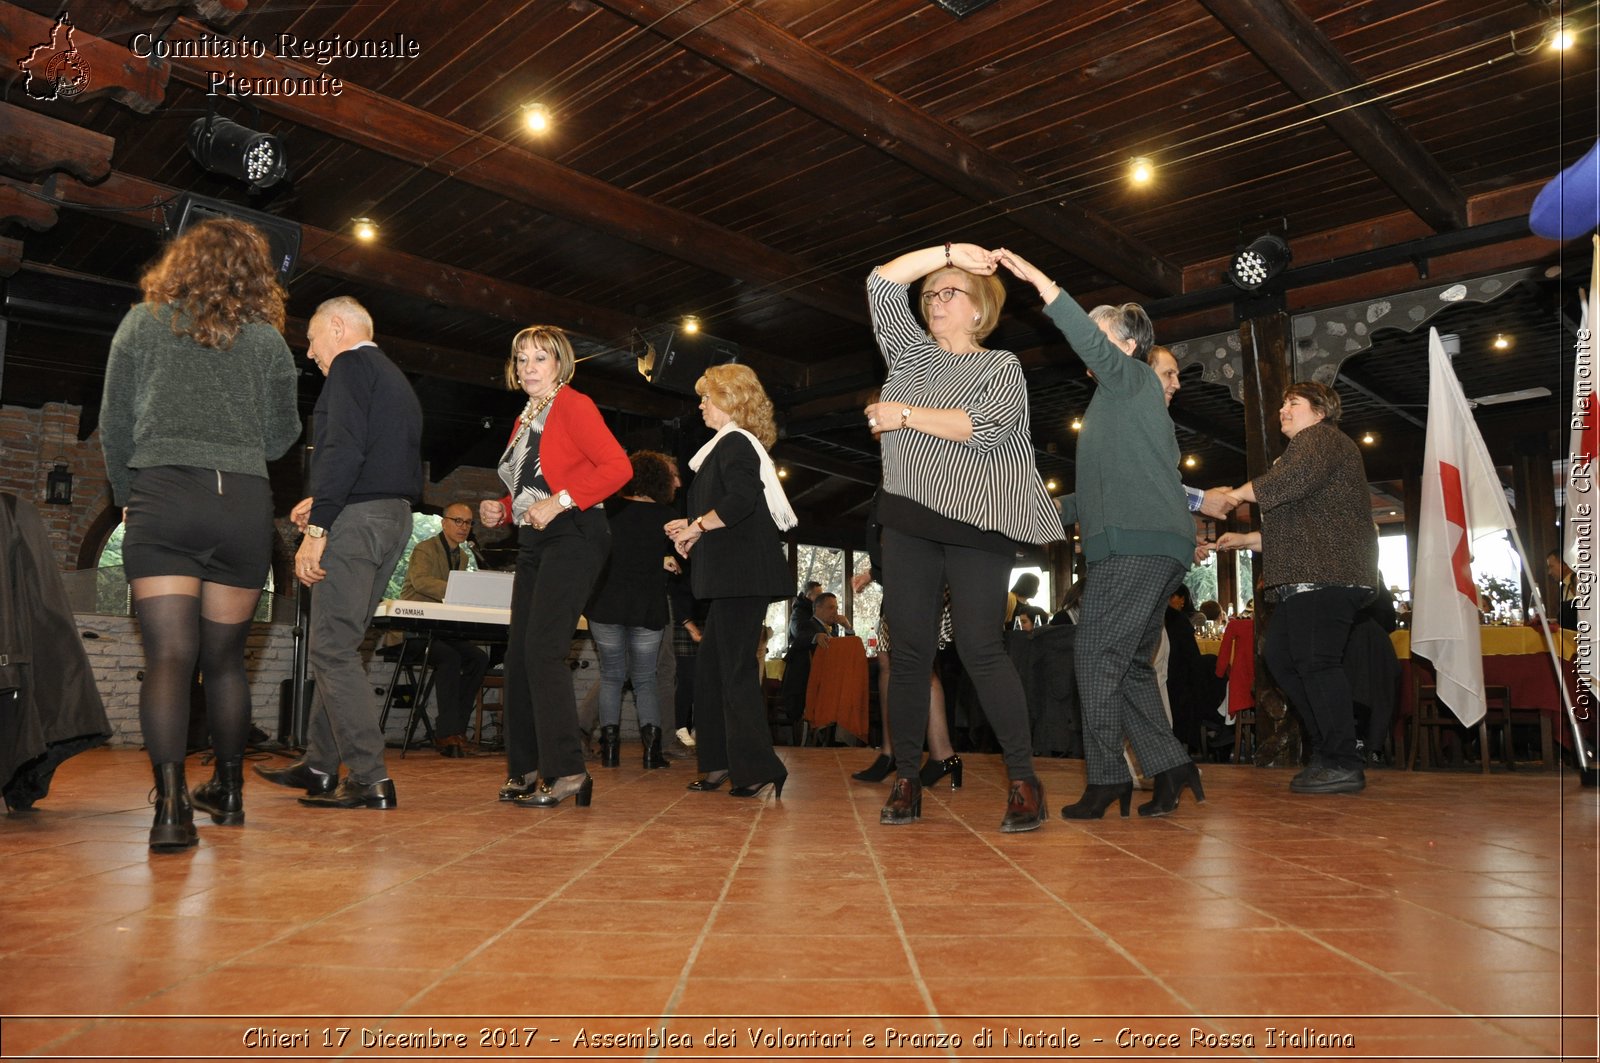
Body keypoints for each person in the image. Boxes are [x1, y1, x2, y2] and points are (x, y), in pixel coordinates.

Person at [100, 218, 300, 850]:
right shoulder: (267, 340)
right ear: (257, 274)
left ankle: (171, 811)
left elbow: (114, 424)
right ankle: (232, 792)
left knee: (169, 658)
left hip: (165, 494)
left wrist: (127, 499)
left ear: (180, 263)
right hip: (241, 503)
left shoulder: (141, 322)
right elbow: (281, 437)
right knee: (225, 662)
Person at [997, 248, 1204, 821]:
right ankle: (1171, 767)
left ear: (1126, 345)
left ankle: (1108, 777)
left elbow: (1086, 340)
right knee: (1131, 664)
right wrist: (1020, 510)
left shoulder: (1133, 379)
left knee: (1092, 652)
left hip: (1138, 545)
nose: (1087, 341)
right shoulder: (1117, 401)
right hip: (1148, 543)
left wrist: (1041, 281)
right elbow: (1086, 500)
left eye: (1098, 332)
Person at [862, 242, 1060, 833]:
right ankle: (905, 776)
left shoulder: (1001, 367)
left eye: (950, 292)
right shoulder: (906, 352)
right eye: (929, 295)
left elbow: (988, 428)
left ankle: (1023, 779)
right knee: (909, 653)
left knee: (980, 648)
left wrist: (903, 416)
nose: (934, 301)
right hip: (907, 522)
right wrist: (947, 254)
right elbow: (879, 279)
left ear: (979, 309)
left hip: (978, 521)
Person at [255, 296, 422, 810]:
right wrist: (322, 500)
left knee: (330, 648)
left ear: (338, 326)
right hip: (391, 517)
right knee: (342, 645)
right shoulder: (392, 376)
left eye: (310, 340)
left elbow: (342, 447)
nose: (309, 354)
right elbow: (375, 457)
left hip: (357, 523)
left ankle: (370, 777)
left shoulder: (349, 366)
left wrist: (319, 526)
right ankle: (322, 766)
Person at [479, 325, 631, 808]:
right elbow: (531, 486)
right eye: (521, 359)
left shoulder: (572, 404)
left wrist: (562, 502)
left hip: (577, 533)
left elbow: (617, 467)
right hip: (536, 538)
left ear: (560, 364)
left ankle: (568, 772)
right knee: (520, 653)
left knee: (543, 650)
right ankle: (524, 767)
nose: (528, 368)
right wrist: (502, 509)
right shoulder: (528, 416)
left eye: (539, 359)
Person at [1213, 381, 1379, 795]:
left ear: (1321, 412)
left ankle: (1342, 758)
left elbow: (1287, 483)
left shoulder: (1320, 439)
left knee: (1315, 662)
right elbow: (1302, 529)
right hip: (1315, 575)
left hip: (1326, 577)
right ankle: (1328, 751)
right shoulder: (1313, 450)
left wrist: (1232, 498)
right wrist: (1245, 540)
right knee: (1283, 659)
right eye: (1282, 403)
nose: (1283, 410)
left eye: (1293, 403)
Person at [665, 364, 796, 798]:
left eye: (706, 396)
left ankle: (758, 768)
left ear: (731, 400)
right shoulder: (723, 448)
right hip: (731, 577)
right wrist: (688, 526)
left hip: (744, 576)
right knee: (711, 671)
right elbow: (728, 508)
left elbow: (740, 502)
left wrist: (697, 526)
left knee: (734, 671)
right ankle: (720, 762)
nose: (700, 404)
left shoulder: (736, 443)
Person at [587, 451, 678, 770]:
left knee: (611, 677)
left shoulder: (607, 510)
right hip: (647, 605)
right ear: (662, 481)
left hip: (606, 603)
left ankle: (610, 751)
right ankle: (652, 754)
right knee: (646, 679)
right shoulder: (669, 516)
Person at [394, 502, 490, 758]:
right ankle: (446, 733)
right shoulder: (425, 549)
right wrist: (459, 591)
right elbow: (421, 582)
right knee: (450, 657)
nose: (463, 527)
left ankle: (456, 730)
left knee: (478, 658)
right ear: (443, 522)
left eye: (468, 522)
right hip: (412, 631)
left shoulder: (464, 556)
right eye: (457, 521)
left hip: (438, 631)